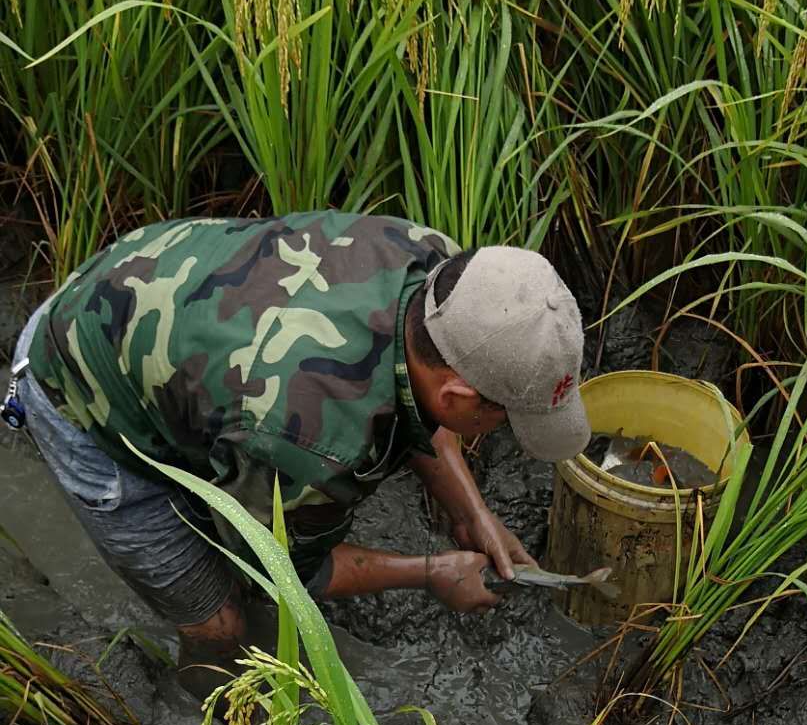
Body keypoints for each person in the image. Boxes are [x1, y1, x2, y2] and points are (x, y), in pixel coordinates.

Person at [4, 212, 590, 693]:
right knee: (220, 621)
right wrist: (434, 573)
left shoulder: (442, 272)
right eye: (505, 416)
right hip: (79, 390)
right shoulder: (308, 441)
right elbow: (283, 572)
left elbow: (421, 400)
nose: (505, 429)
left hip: (147, 278)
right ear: (460, 395)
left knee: (234, 471)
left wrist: (473, 515)